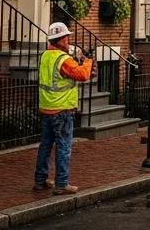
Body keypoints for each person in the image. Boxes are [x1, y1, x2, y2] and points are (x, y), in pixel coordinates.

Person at [34, 21, 93, 195]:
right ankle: (61, 183)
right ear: (59, 40)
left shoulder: (45, 56)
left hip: (46, 108)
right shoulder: (63, 59)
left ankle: (40, 180)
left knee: (45, 146)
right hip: (62, 110)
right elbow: (82, 74)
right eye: (66, 37)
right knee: (63, 146)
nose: (68, 40)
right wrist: (87, 61)